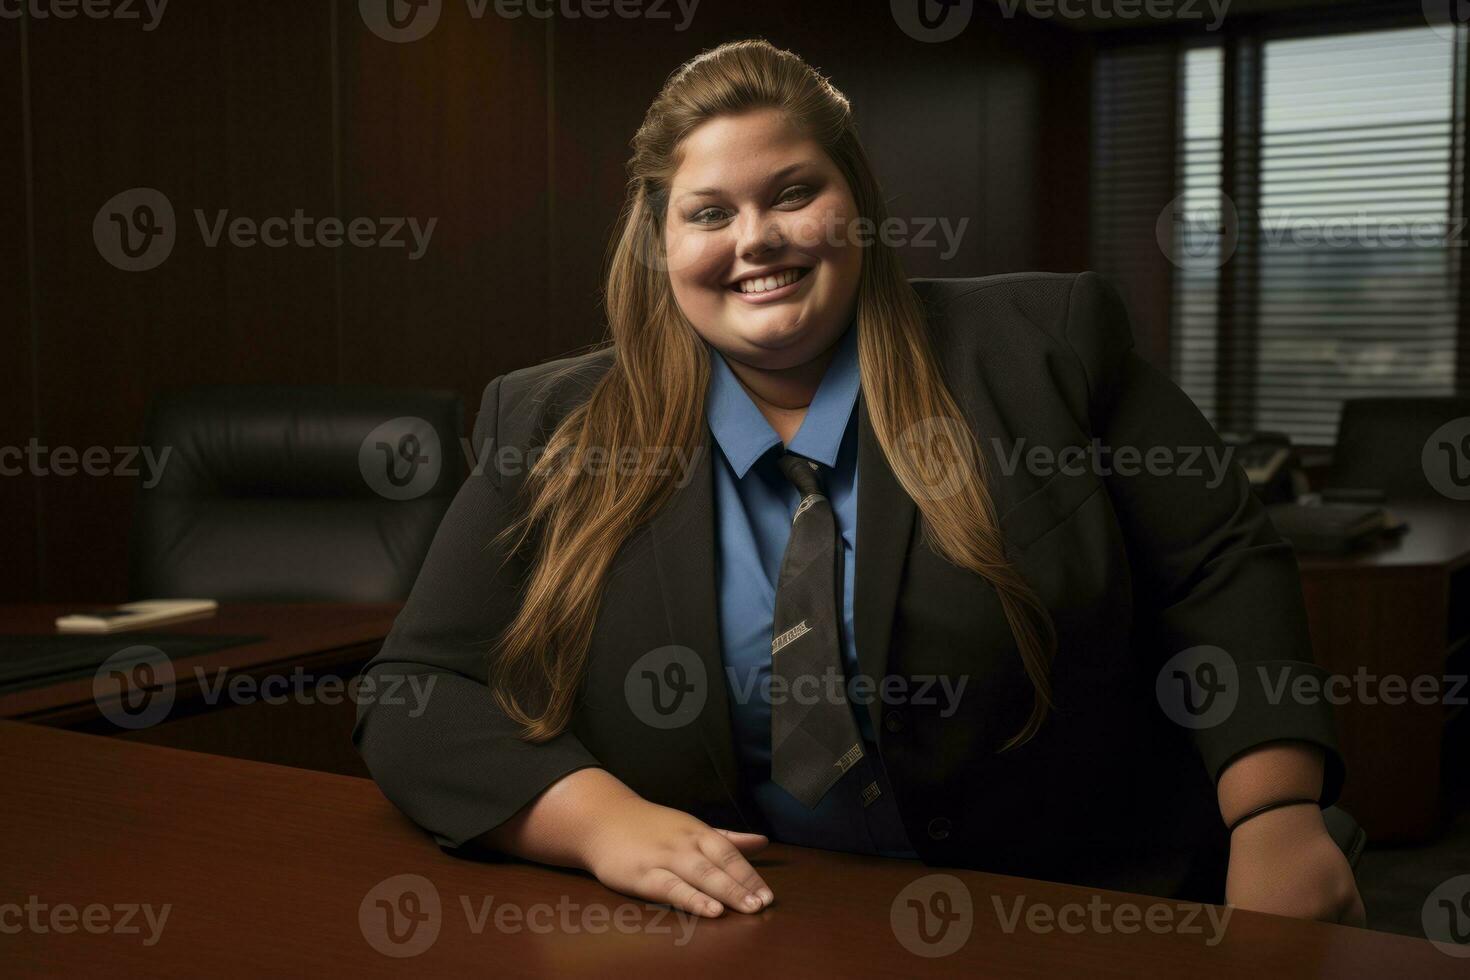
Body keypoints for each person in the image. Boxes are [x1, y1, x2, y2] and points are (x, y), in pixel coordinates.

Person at [354, 37, 1364, 925]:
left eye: (793, 191)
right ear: (662, 245)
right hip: (748, 922)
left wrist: (1275, 810)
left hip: (1071, 907)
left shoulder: (1044, 347)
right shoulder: (549, 423)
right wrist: (595, 820)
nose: (757, 238)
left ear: (857, 204)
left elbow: (1218, 564)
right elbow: (416, 687)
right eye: (710, 211)